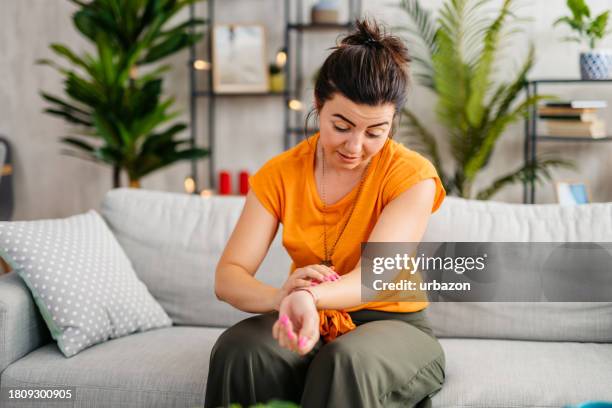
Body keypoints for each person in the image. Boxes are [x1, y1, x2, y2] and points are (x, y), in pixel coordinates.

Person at [205, 17, 447, 408]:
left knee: (346, 361)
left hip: (391, 325)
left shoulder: (412, 176)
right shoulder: (280, 174)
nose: (355, 145)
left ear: (392, 123)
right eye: (342, 125)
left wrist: (309, 296)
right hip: (305, 312)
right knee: (240, 350)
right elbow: (228, 276)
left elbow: (374, 279)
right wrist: (283, 295)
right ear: (318, 104)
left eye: (375, 133)